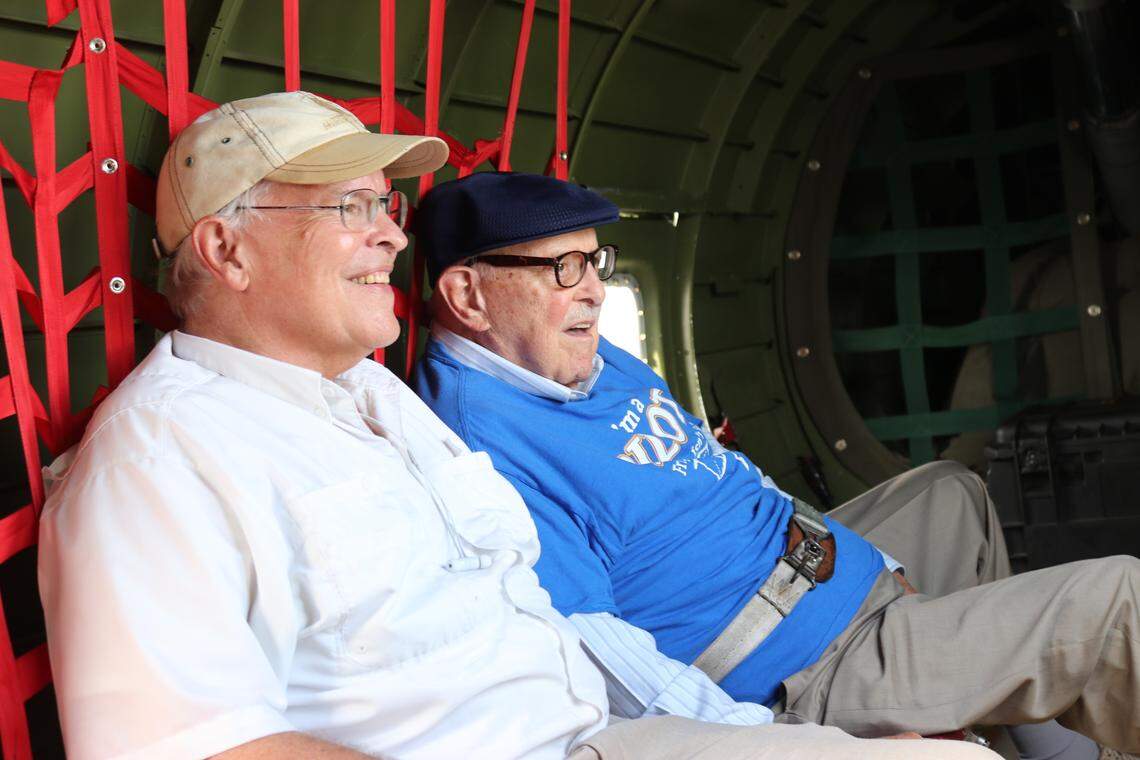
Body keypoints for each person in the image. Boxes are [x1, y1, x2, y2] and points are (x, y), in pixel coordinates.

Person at [36, 93, 996, 760]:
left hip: (615, 733)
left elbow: (550, 627)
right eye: (352, 206)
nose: (393, 234)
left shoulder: (380, 405)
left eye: (387, 204)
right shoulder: (157, 459)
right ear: (226, 249)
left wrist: (774, 741)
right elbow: (192, 746)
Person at [412, 170, 1140, 757]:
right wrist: (790, 746)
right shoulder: (479, 450)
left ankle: (1046, 741)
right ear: (468, 294)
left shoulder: (583, 359)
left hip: (823, 579)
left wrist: (870, 562)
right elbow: (598, 655)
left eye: (595, 261)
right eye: (563, 267)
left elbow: (727, 477)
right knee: (1119, 601)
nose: (594, 290)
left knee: (951, 492)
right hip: (810, 667)